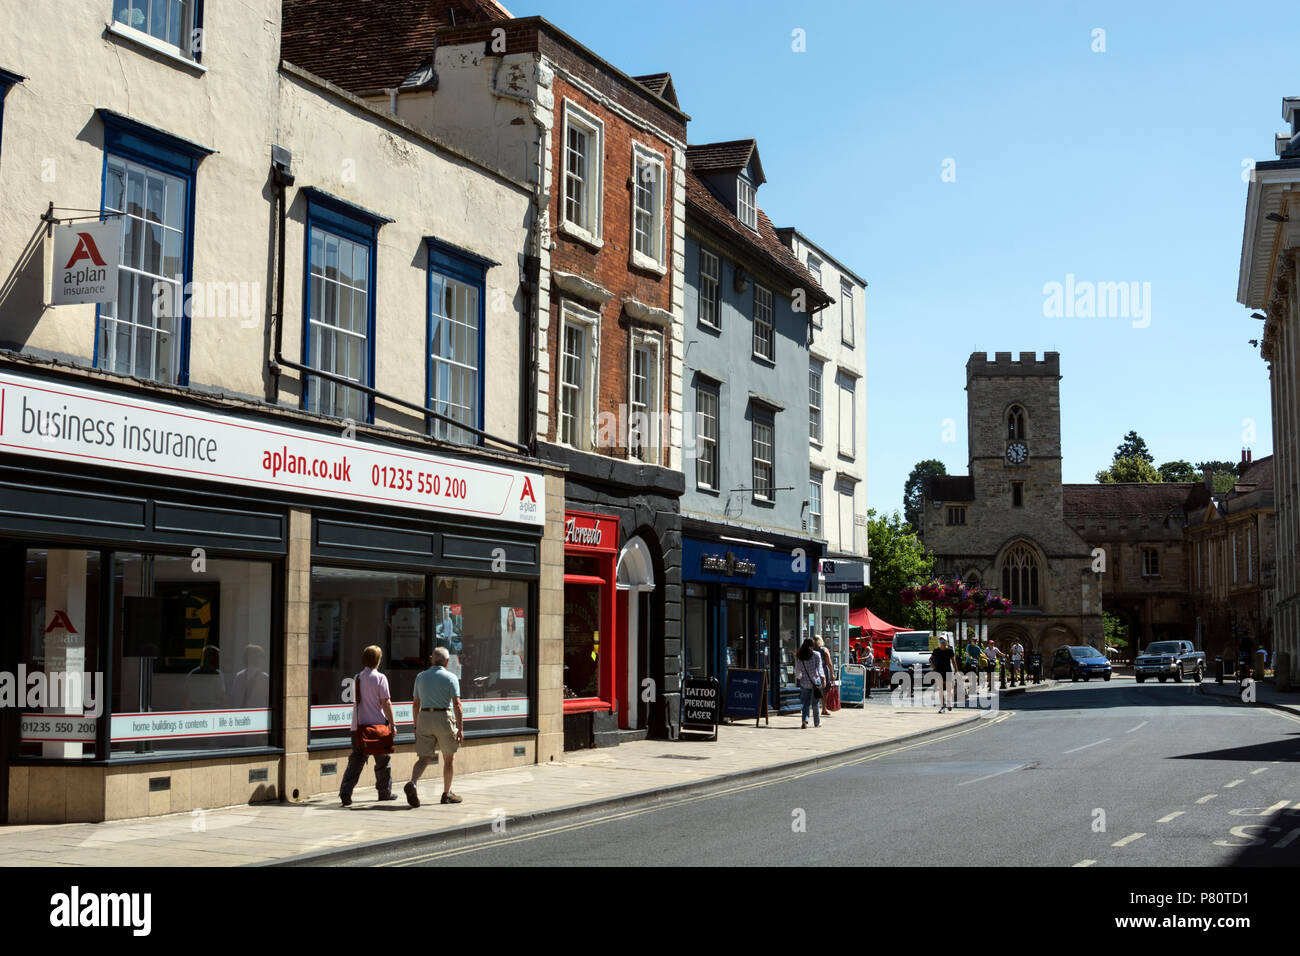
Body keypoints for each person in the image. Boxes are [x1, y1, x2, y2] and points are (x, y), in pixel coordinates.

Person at [340, 644, 397, 806]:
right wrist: (392, 724)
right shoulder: (380, 678)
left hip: (359, 727)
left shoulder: (357, 678)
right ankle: (384, 793)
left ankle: (346, 791)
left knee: (356, 761)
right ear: (378, 660)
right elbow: (386, 703)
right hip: (378, 728)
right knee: (383, 762)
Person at [408, 646, 465, 806]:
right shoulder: (451, 677)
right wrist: (460, 728)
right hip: (443, 717)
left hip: (424, 717)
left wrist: (415, 726)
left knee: (423, 758)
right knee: (449, 758)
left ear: (431, 659)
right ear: (447, 662)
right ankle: (446, 794)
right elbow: (457, 705)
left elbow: (415, 704)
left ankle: (412, 783)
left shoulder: (420, 677)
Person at [795, 638, 825, 729]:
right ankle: (817, 723)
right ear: (812, 645)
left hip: (804, 683)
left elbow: (797, 670)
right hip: (815, 683)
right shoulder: (816, 654)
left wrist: (799, 676)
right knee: (815, 704)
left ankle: (805, 721)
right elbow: (819, 669)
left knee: (805, 704)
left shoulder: (800, 655)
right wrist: (823, 679)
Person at [228, 644, 268, 709]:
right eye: (262, 657)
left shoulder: (239, 676)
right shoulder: (264, 678)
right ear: (259, 659)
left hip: (242, 714)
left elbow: (233, 698)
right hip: (259, 714)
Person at [929, 637, 956, 712]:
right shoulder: (936, 650)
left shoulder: (949, 651)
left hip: (948, 671)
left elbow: (953, 661)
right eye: (940, 640)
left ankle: (949, 702)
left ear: (947, 642)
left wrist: (956, 671)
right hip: (938, 671)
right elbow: (930, 658)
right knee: (940, 689)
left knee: (949, 689)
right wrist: (932, 664)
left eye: (943, 640)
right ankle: (943, 706)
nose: (942, 642)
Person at [815, 637, 835, 716]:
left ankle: (815, 707)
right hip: (823, 671)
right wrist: (832, 673)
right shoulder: (824, 650)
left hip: (813, 672)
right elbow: (829, 663)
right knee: (825, 690)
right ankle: (824, 709)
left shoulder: (811, 649)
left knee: (814, 689)